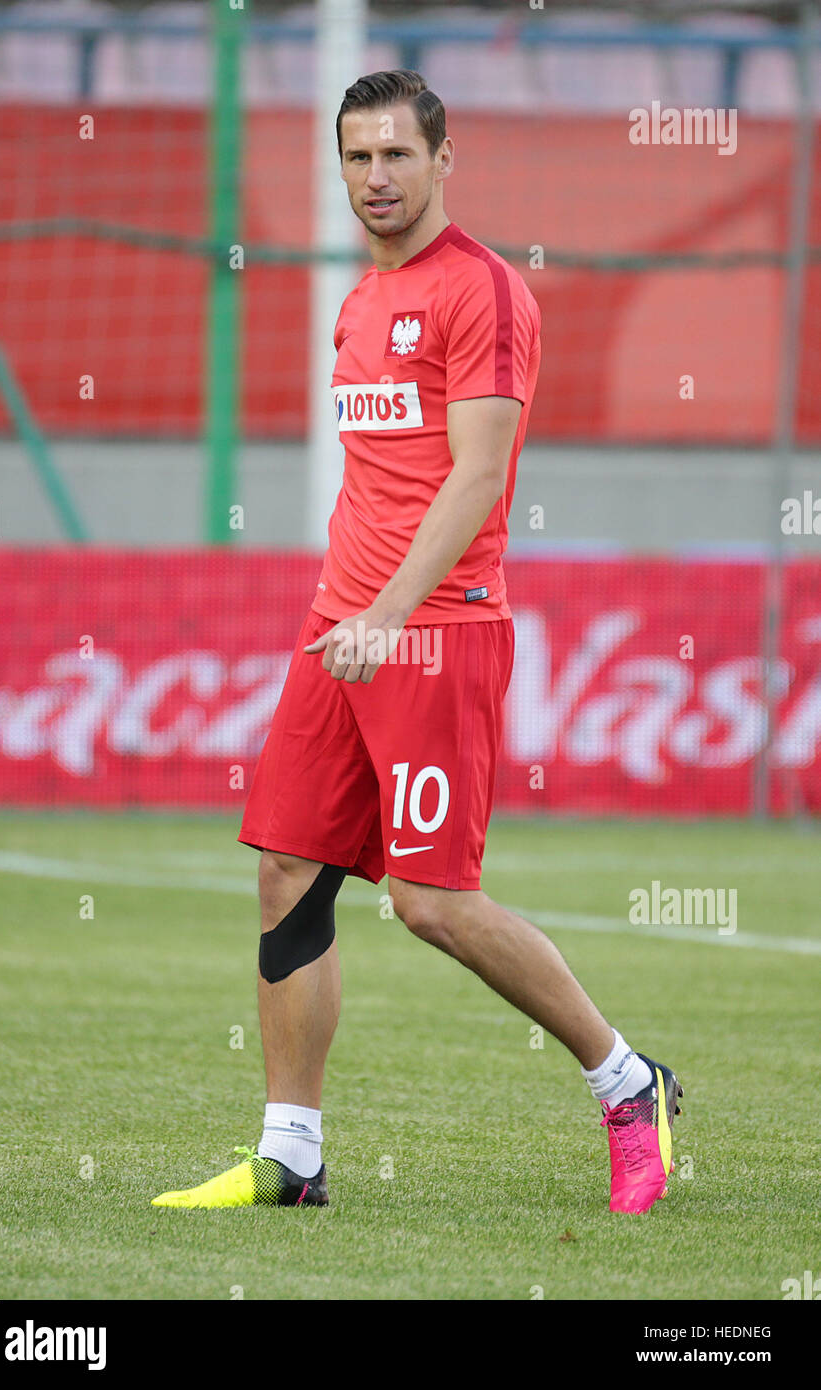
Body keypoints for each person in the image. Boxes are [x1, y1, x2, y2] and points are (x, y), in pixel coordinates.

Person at [152, 70, 681, 1218]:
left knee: (432, 903)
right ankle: (291, 1154)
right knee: (286, 872)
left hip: (430, 635)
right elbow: (377, 481)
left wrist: (385, 615)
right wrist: (344, 609)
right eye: (356, 159)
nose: (376, 179)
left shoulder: (481, 291)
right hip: (336, 631)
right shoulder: (354, 302)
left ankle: (628, 1082)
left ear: (444, 160)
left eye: (396, 155)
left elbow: (478, 474)